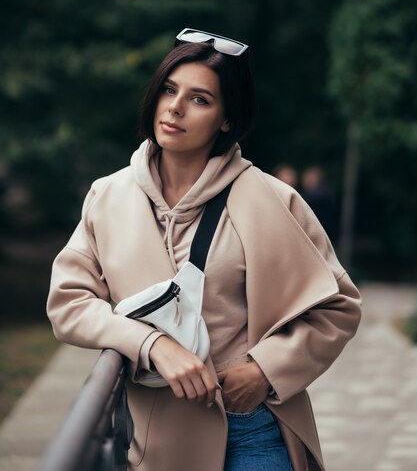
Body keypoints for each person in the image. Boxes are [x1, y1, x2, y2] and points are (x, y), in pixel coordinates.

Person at [47, 28, 361, 471]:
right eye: (168, 90)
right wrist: (151, 343)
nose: (175, 107)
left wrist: (265, 370)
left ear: (227, 118)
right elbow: (69, 303)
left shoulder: (271, 198)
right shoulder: (108, 196)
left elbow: (339, 305)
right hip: (159, 437)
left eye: (200, 99)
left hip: (253, 429)